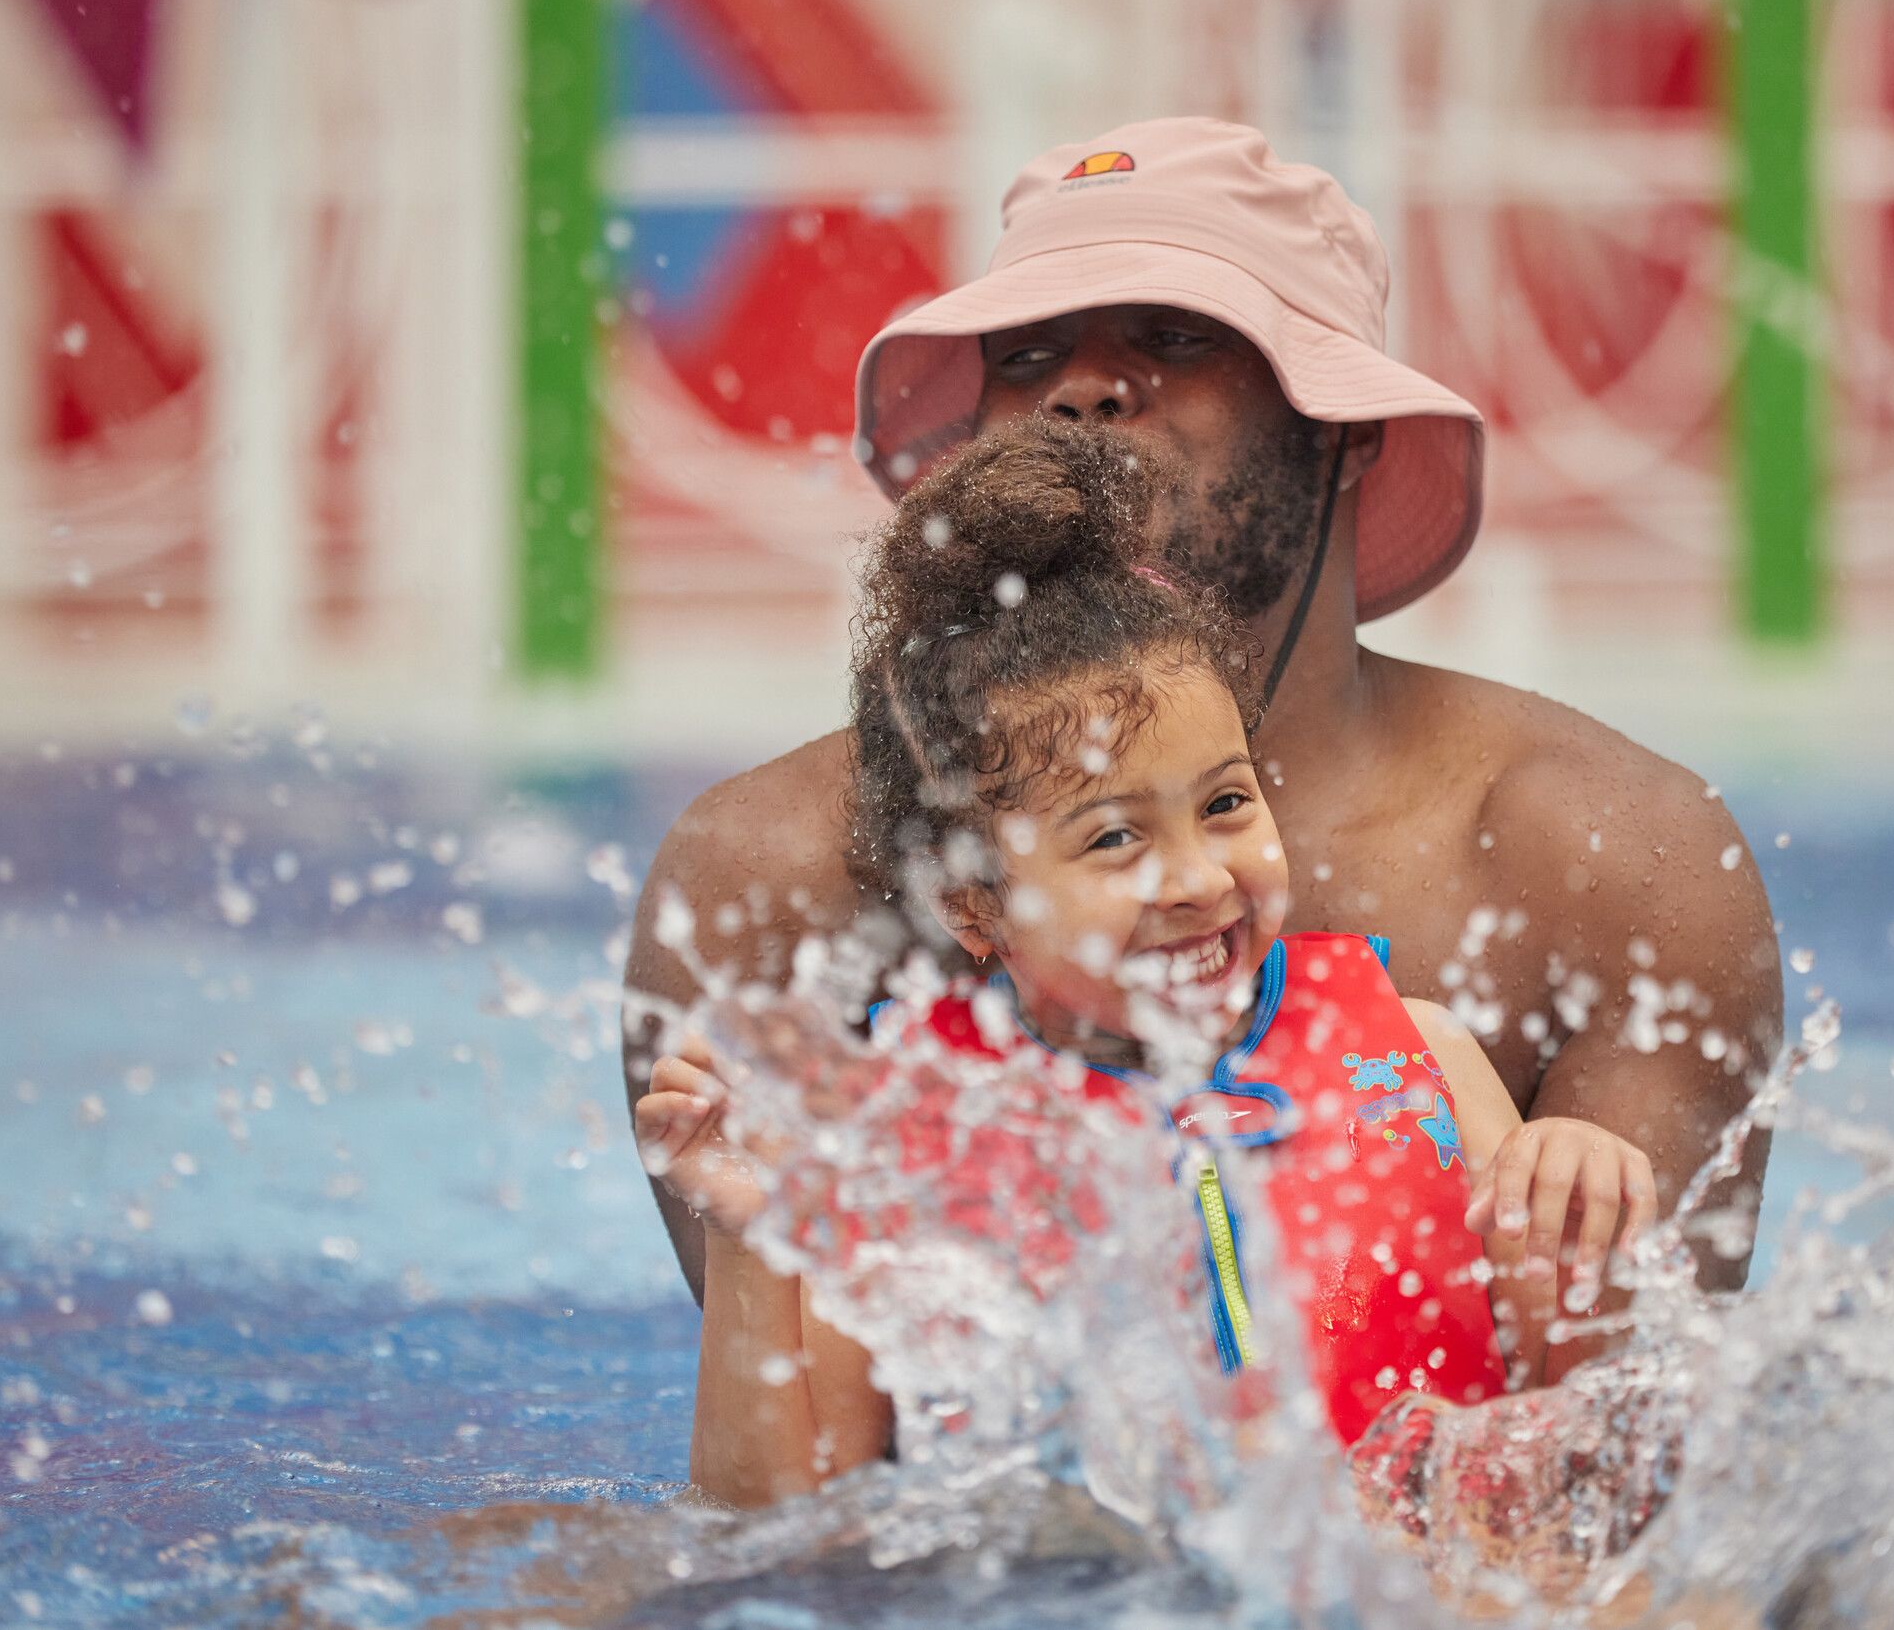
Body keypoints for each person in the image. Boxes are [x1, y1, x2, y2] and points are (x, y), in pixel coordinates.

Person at [626, 116, 1781, 1339]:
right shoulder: (775, 867)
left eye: (1175, 338)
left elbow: (1617, 1445)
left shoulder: (1604, 863)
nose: (1079, 387)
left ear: (1346, 433)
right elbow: (808, 1494)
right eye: (1024, 358)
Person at [636, 419, 1658, 1507]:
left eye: (1225, 804)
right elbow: (782, 1531)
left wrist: (1579, 1220)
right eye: (1114, 837)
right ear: (975, 904)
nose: (1196, 878)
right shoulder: (903, 1146)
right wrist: (752, 1237)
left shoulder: (1421, 1054)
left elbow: (1576, 1448)